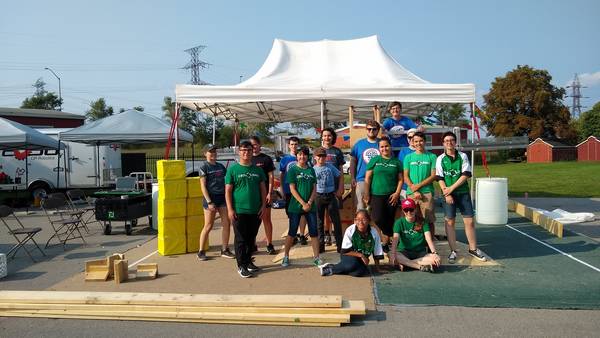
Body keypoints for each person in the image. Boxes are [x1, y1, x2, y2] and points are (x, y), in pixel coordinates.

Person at [435, 131, 487, 262]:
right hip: (448, 195)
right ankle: (453, 251)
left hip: (462, 193)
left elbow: (465, 175)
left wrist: (451, 188)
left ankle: (473, 249)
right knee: (450, 222)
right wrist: (447, 193)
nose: (449, 143)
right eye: (446, 141)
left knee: (469, 221)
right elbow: (440, 178)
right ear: (443, 143)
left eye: (451, 140)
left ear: (455, 142)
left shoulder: (463, 156)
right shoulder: (440, 158)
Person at [225, 141, 267, 278]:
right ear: (239, 152)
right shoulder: (233, 170)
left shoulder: (258, 170)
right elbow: (228, 191)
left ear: (252, 151)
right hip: (239, 210)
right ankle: (241, 265)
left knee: (251, 238)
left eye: (249, 150)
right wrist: (230, 209)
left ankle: (248, 261)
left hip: (255, 210)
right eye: (243, 150)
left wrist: (263, 206)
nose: (246, 152)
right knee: (241, 239)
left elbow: (263, 189)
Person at [281, 146, 321, 267]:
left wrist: (309, 202)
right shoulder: (293, 170)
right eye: (299, 154)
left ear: (307, 156)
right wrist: (303, 203)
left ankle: (316, 257)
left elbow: (314, 188)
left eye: (304, 155)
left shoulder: (311, 170)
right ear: (297, 156)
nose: (302, 157)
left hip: (310, 207)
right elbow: (292, 189)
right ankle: (286, 256)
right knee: (292, 232)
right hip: (295, 207)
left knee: (314, 232)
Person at [363, 136, 403, 253]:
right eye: (382, 147)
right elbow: (368, 178)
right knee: (377, 218)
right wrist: (367, 193)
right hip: (376, 194)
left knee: (389, 219)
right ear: (378, 148)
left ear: (390, 147)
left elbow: (401, 179)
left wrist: (397, 193)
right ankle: (389, 234)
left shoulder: (397, 162)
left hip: (391, 195)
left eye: (386, 146)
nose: (384, 148)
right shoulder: (375, 160)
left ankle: (385, 243)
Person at [319, 210, 383, 277]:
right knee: (351, 264)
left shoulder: (374, 232)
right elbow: (345, 251)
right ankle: (330, 268)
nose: (360, 222)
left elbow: (377, 251)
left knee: (358, 273)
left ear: (369, 221)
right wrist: (361, 255)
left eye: (364, 219)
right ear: (355, 220)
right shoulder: (350, 230)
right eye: (358, 220)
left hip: (361, 260)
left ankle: (342, 267)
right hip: (348, 255)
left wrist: (378, 269)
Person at [197, 144, 234, 261]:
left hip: (222, 198)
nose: (213, 153)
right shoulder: (204, 167)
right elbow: (203, 186)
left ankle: (225, 249)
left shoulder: (221, 166)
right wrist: (209, 201)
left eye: (214, 151)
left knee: (226, 224)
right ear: (205, 154)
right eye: (210, 152)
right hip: (210, 199)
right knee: (208, 225)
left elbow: (227, 182)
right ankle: (201, 251)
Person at [389, 198, 441, 272]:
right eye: (406, 210)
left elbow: (428, 238)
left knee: (436, 260)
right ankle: (419, 266)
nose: (409, 212)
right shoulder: (399, 222)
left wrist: (434, 253)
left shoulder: (423, 221)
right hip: (404, 251)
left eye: (411, 209)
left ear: (415, 209)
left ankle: (407, 264)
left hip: (420, 252)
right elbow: (395, 239)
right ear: (403, 211)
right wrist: (393, 253)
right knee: (391, 254)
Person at [403, 131, 438, 236]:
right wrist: (415, 190)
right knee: (411, 219)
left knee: (428, 220)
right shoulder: (408, 157)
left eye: (421, 141)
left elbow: (433, 176)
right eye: (416, 141)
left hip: (427, 193)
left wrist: (419, 186)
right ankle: (415, 243)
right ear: (412, 142)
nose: (418, 143)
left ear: (425, 141)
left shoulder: (432, 156)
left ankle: (430, 245)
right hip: (411, 193)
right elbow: (405, 176)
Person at [249, 136, 276, 255]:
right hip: (252, 196)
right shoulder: (247, 159)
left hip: (265, 195)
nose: (253, 147)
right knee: (252, 221)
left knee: (266, 219)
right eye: (251, 145)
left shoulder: (266, 159)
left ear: (259, 145)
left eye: (255, 144)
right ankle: (252, 244)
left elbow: (271, 177)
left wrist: (270, 193)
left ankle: (269, 244)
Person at [279, 136, 308, 245]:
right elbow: (282, 175)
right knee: (291, 214)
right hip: (288, 191)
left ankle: (302, 235)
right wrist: (281, 189)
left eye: (296, 144)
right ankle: (293, 234)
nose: (294, 146)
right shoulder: (285, 159)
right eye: (292, 144)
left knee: (303, 213)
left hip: (302, 190)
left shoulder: (303, 157)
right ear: (289, 145)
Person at [313, 147, 343, 254]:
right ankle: (321, 246)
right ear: (315, 157)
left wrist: (339, 188)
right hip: (318, 196)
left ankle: (340, 245)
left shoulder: (330, 167)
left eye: (323, 156)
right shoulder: (313, 169)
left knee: (336, 221)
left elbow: (339, 175)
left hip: (330, 195)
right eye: (319, 156)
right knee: (319, 222)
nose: (321, 158)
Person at [320, 127, 345, 246]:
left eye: (329, 135)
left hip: (334, 188)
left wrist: (341, 187)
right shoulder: (318, 151)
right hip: (321, 189)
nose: (326, 138)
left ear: (332, 137)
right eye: (324, 135)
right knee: (324, 214)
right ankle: (327, 234)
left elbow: (341, 171)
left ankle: (336, 235)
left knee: (334, 213)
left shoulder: (337, 152)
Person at [350, 120, 381, 210]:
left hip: (378, 181)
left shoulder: (382, 143)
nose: (371, 131)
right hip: (361, 180)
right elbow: (353, 161)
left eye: (374, 129)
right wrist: (352, 177)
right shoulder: (359, 144)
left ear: (378, 130)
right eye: (369, 129)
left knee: (375, 210)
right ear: (366, 130)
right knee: (360, 209)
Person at [397, 128, 417, 198]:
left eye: (414, 137)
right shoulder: (403, 151)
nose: (411, 139)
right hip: (405, 187)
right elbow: (401, 170)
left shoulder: (424, 152)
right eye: (409, 137)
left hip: (420, 187)